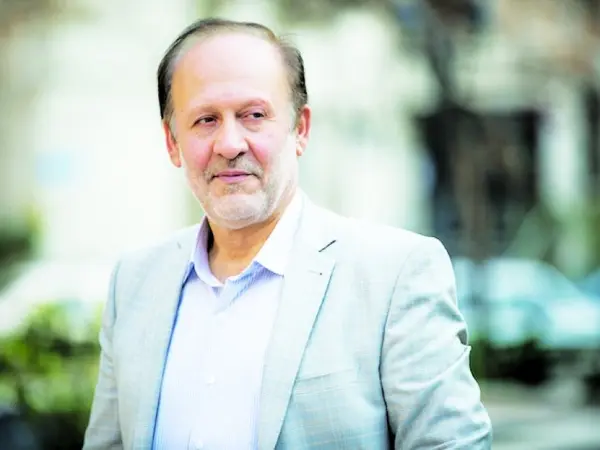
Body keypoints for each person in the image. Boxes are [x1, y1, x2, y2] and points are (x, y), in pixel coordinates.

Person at [83, 18, 492, 450]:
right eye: (205, 119)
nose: (229, 143)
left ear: (301, 129)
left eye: (254, 115)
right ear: (172, 142)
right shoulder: (134, 282)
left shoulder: (393, 275)